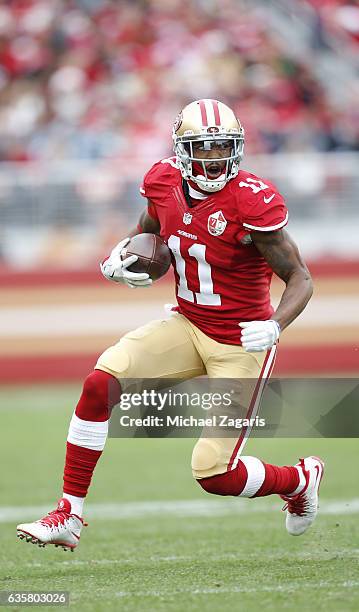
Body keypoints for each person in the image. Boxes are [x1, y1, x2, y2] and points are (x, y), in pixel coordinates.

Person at [17, 99, 323, 551]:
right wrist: (121, 257)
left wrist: (275, 324)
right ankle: (69, 514)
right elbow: (149, 232)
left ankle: (299, 479)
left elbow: (300, 277)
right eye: (205, 147)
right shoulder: (161, 180)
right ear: (183, 149)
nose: (216, 158)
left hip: (242, 340)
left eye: (224, 147)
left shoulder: (251, 199)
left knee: (214, 474)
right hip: (186, 323)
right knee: (99, 383)